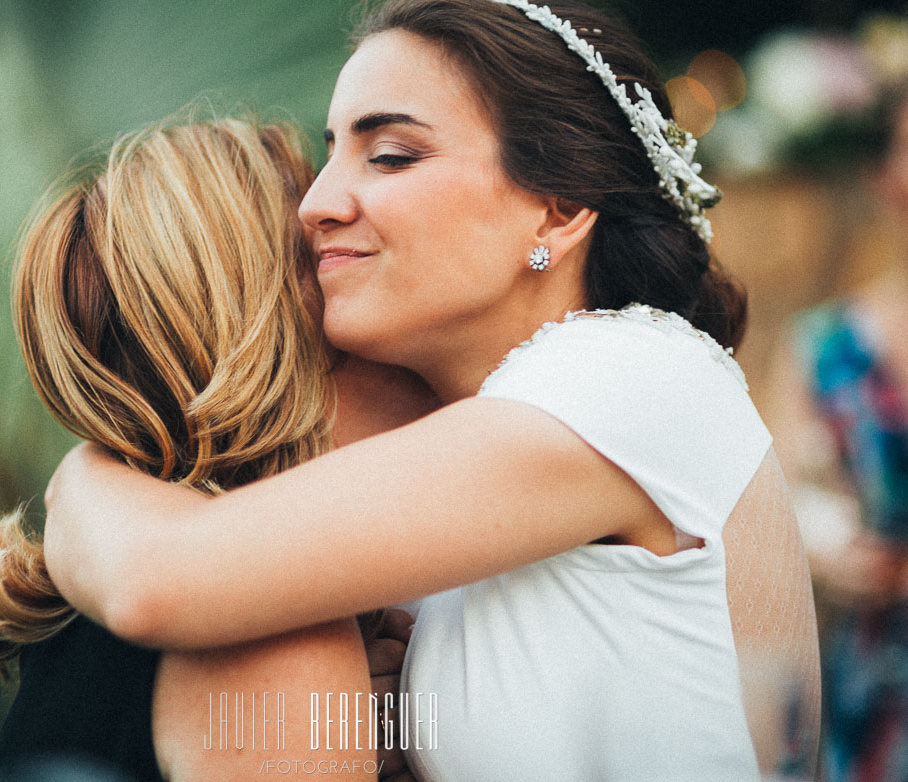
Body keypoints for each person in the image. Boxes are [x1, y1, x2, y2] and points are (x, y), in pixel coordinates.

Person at [42, 2, 822, 780]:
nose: (316, 203)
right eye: (331, 152)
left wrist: (84, 475)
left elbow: (160, 581)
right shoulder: (489, 464)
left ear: (558, 210)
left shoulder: (627, 373)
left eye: (389, 155)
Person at [0, 118, 433, 781]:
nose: (338, 208)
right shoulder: (264, 625)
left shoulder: (186, 583)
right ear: (276, 324)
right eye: (329, 254)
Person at [769, 85, 908, 782]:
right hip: (866, 669)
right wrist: (831, 551)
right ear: (881, 176)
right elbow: (776, 500)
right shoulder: (822, 345)